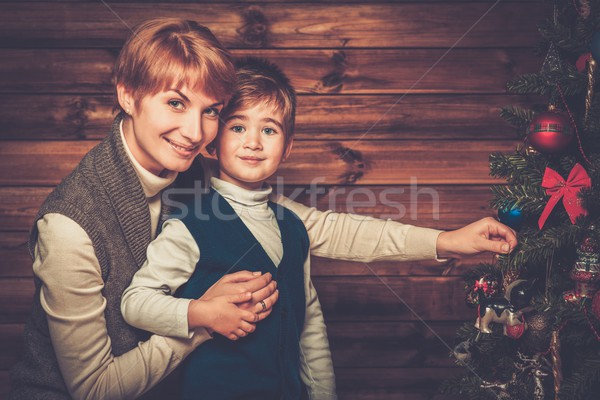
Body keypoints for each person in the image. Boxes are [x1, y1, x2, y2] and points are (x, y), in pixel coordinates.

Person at [9, 17, 517, 400]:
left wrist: (447, 240)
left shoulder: (193, 168)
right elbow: (94, 387)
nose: (195, 131)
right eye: (175, 103)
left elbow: (320, 229)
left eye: (210, 111)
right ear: (127, 95)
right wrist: (206, 319)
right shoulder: (70, 226)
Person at [120, 57, 518, 400]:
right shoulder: (191, 224)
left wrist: (449, 240)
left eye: (269, 129)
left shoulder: (291, 223)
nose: (253, 142)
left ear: (287, 146)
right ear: (211, 142)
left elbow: (311, 316)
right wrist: (200, 313)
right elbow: (136, 303)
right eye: (238, 127)